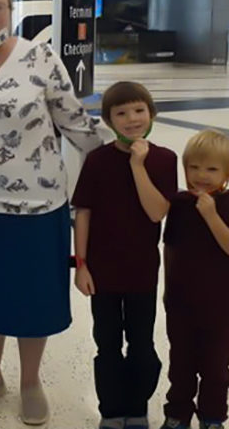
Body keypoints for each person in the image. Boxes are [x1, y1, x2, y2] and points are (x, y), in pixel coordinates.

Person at [0, 0, 104, 425]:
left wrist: (123, 158)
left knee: (36, 298)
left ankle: (30, 380)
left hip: (41, 206)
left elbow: (76, 123)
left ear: (9, 11)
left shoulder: (39, 57)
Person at [72, 81, 178, 429]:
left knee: (142, 347)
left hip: (141, 271)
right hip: (101, 269)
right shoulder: (97, 161)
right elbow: (83, 213)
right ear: (108, 120)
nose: (132, 119)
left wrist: (138, 165)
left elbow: (156, 212)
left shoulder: (164, 159)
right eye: (121, 113)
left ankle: (136, 406)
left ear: (151, 113)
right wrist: (81, 265)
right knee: (107, 346)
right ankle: (111, 411)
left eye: (138, 110)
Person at [160, 129, 229, 429]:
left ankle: (213, 416)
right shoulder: (179, 203)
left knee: (216, 367)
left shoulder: (225, 205)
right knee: (181, 363)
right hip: (181, 301)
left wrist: (212, 216)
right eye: (194, 167)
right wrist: (168, 291)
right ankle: (177, 413)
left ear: (226, 173)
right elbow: (169, 246)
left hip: (221, 304)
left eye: (212, 169)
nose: (201, 175)